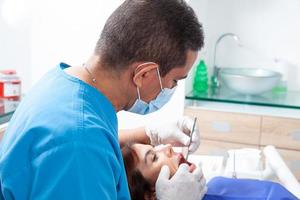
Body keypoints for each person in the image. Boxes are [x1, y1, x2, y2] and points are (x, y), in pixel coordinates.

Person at [0, 0, 206, 199]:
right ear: (144, 74)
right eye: (174, 81)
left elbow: (90, 141)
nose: (172, 89)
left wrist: (150, 134)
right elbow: (80, 144)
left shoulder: (64, 85)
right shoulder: (79, 145)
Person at [122, 143, 298, 200]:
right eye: (154, 158)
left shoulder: (216, 185)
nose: (167, 147)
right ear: (151, 194)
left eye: (156, 147)